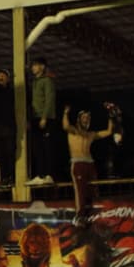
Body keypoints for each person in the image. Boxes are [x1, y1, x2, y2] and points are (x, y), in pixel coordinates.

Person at [61, 105, 114, 219]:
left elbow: (109, 131)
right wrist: (65, 113)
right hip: (78, 163)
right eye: (84, 117)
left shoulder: (90, 134)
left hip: (90, 163)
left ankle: (95, 214)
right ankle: (80, 216)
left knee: (94, 189)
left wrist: (110, 116)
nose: (86, 120)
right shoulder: (73, 131)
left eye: (88, 118)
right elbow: (65, 126)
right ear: (79, 119)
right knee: (80, 190)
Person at [28, 57, 58, 185]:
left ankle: (49, 175)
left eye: (35, 65)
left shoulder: (47, 81)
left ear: (42, 66)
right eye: (32, 65)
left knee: (47, 147)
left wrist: (45, 117)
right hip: (35, 117)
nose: (33, 68)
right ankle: (40, 175)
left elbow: (49, 99)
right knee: (37, 148)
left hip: (45, 118)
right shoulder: (34, 82)